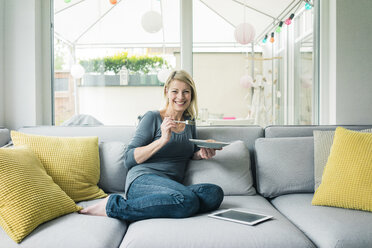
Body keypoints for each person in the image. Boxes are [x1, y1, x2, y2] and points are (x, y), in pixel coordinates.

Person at [79, 70, 224, 221]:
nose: (180, 97)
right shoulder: (152, 118)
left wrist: (202, 152)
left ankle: (172, 202)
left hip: (170, 186)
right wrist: (162, 140)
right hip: (143, 180)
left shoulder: (189, 121)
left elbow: (189, 152)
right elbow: (128, 159)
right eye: (175, 91)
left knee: (213, 193)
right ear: (166, 91)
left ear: (191, 94)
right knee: (187, 200)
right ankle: (113, 206)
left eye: (186, 92)